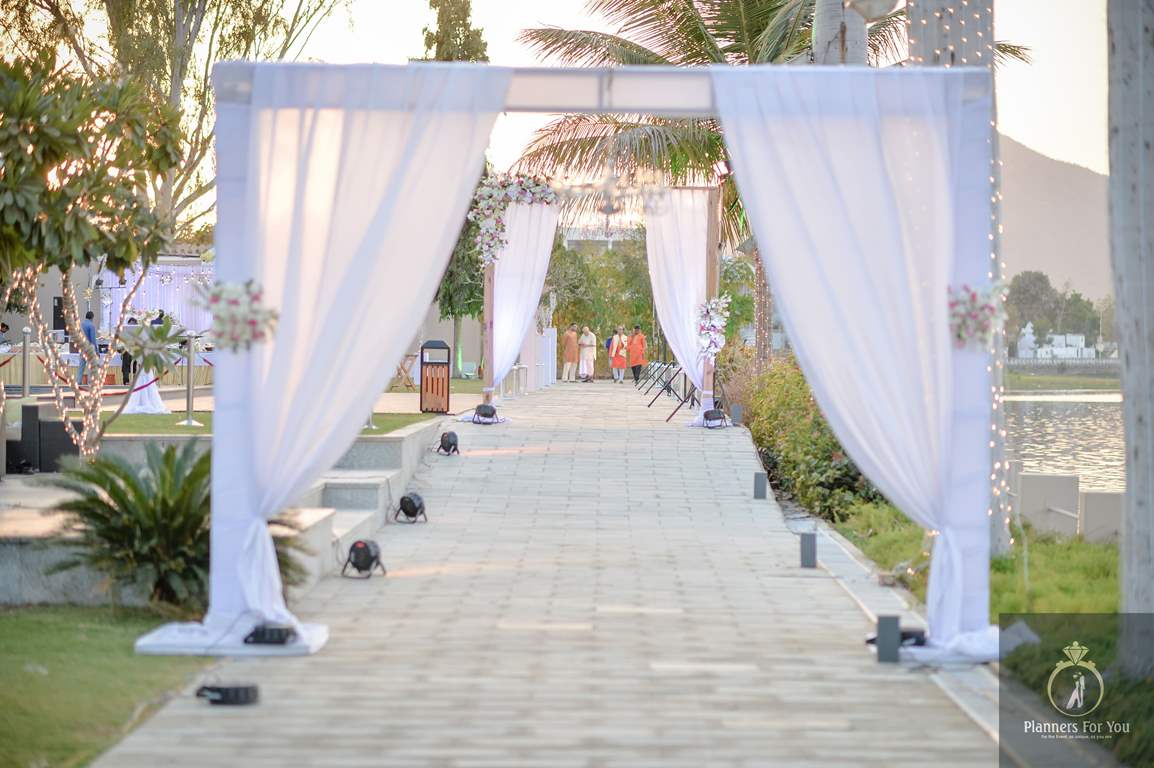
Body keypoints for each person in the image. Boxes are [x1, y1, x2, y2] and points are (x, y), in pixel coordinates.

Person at [78, 311, 98, 385]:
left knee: (81, 366)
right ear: (92, 317)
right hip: (89, 348)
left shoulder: (81, 325)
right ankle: (90, 382)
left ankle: (79, 381)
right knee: (90, 366)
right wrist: (96, 351)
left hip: (82, 347)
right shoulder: (91, 325)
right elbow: (93, 340)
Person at [120, 317, 139, 385]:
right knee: (126, 356)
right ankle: (126, 381)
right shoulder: (125, 332)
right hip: (127, 352)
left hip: (136, 352)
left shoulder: (138, 333)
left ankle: (135, 380)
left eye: (133, 325)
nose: (131, 326)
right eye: (130, 324)